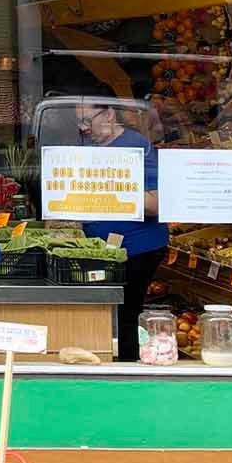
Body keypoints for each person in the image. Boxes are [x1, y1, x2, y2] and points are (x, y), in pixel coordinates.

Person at [76, 101, 164, 363]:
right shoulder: (94, 149)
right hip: (106, 251)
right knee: (108, 317)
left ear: (110, 114)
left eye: (87, 120)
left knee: (125, 317)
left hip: (137, 249)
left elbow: (155, 204)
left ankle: (128, 371)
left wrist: (108, 188)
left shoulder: (135, 147)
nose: (83, 128)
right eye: (79, 123)